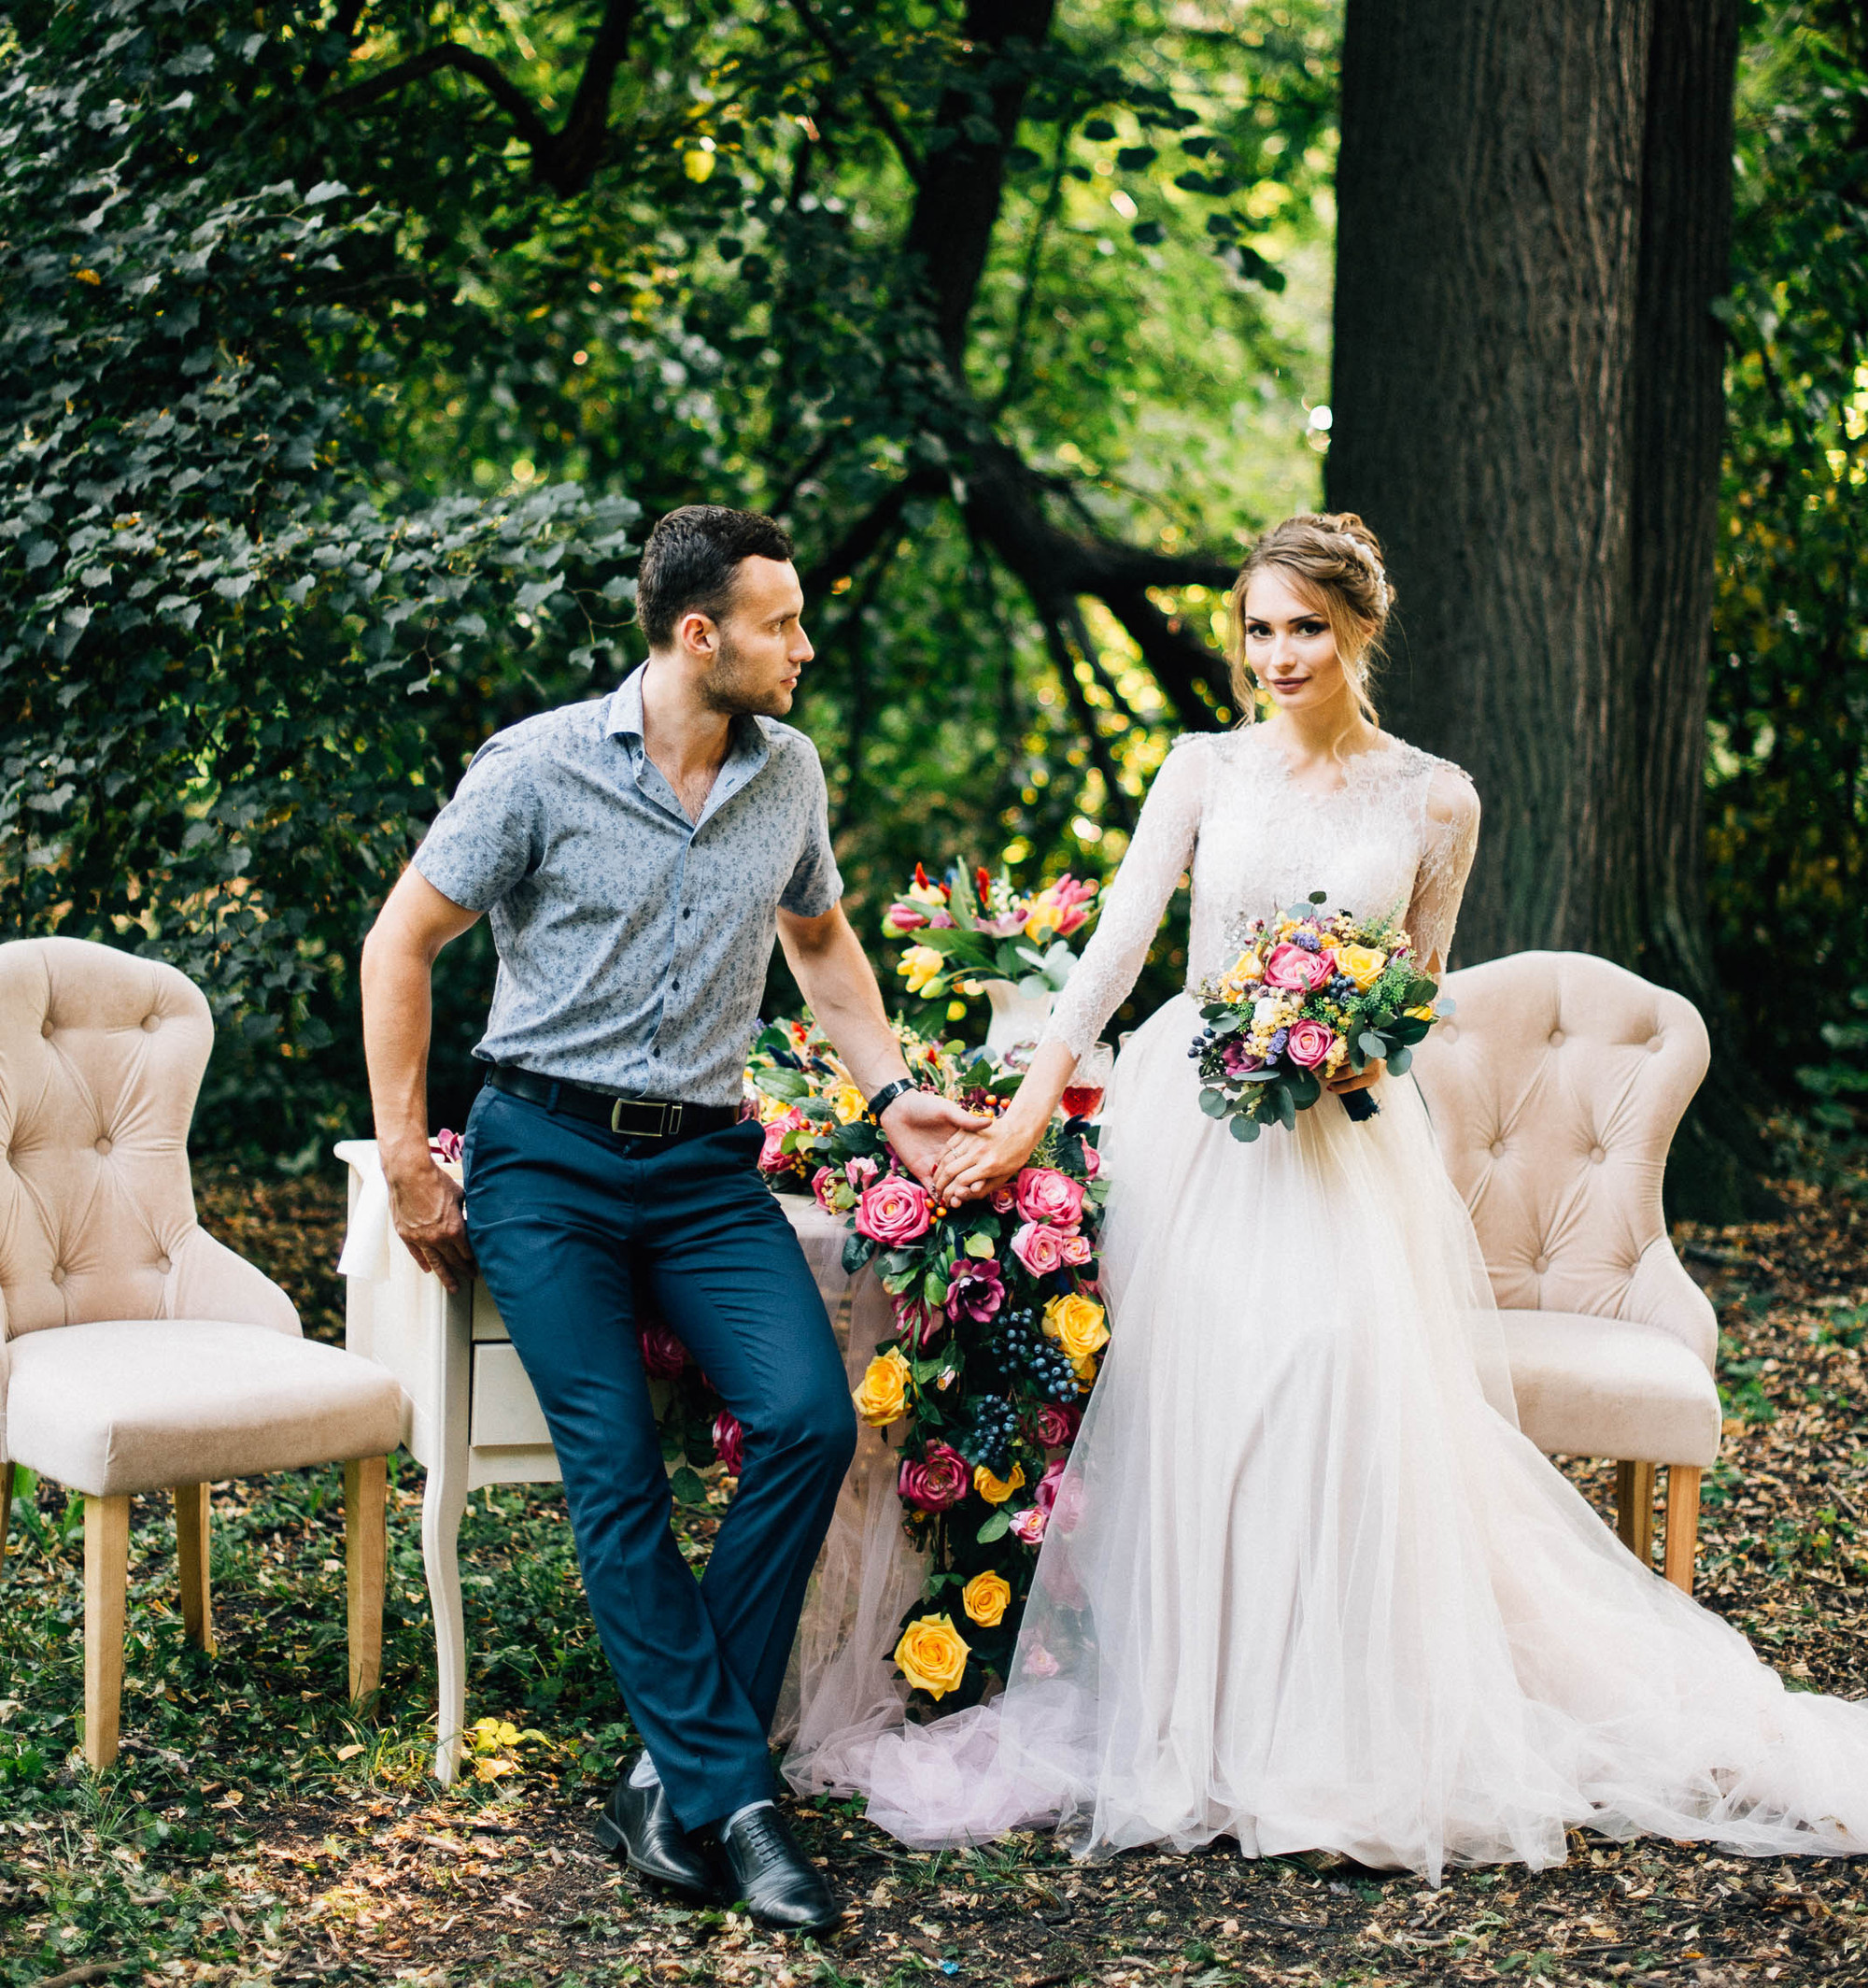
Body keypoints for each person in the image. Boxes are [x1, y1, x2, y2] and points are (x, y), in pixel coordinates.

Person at [853, 511, 1868, 1872]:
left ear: (1359, 631)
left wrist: (1339, 1041)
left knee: (1329, 1381)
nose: (1278, 655)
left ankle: (1330, 1725)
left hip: (1341, 1138)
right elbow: (1113, 953)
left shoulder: (1434, 797)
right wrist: (1031, 1114)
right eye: (1259, 629)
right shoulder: (1201, 771)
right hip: (1196, 1127)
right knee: (1207, 1403)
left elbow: (1420, 990)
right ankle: (1194, 1722)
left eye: (1305, 629)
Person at [360, 504, 985, 1933]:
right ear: (700, 634)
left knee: (811, 1422)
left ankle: (670, 1773)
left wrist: (889, 1094)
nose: (806, 648)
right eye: (784, 625)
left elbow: (820, 942)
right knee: (616, 1470)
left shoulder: (790, 774)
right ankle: (739, 1799)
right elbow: (401, 944)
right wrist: (408, 1154)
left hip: (704, 1167)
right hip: (547, 1160)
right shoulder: (535, 769)